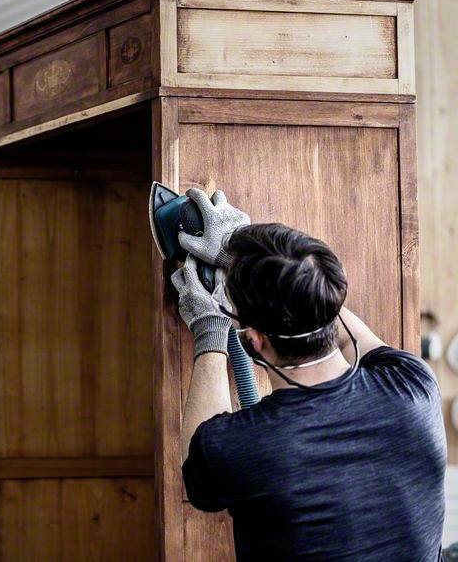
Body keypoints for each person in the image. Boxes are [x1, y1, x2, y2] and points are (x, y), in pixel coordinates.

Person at [174, 188, 447, 561]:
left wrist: (208, 324)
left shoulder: (240, 445)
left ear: (254, 340)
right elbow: (325, 307)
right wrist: (248, 257)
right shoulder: (413, 385)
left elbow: (198, 462)